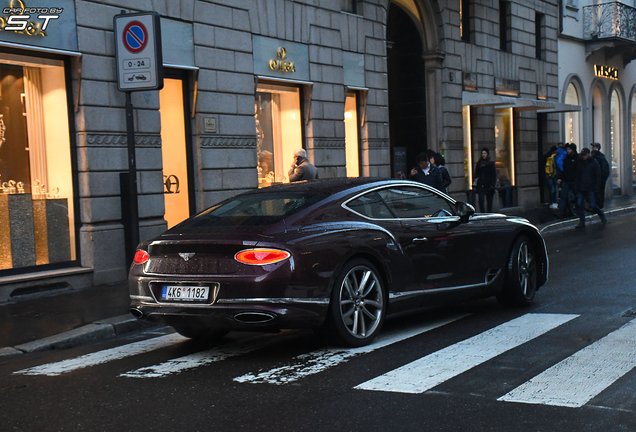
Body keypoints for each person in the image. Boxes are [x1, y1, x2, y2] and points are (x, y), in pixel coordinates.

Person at [574, 147, 607, 228]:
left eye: (585, 155)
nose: (583, 157)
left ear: (588, 154)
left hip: (590, 187)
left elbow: (598, 176)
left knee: (593, 205)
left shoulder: (594, 163)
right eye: (582, 155)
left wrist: (597, 187)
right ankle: (582, 221)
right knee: (579, 204)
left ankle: (601, 215)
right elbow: (578, 175)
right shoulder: (580, 163)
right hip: (581, 187)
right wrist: (576, 186)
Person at [556, 143, 578, 218]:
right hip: (567, 180)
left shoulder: (577, 159)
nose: (568, 151)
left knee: (575, 197)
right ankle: (560, 212)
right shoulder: (566, 159)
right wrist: (561, 178)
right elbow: (564, 170)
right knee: (563, 197)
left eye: (569, 149)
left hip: (574, 181)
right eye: (567, 149)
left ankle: (577, 211)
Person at [473, 148, 497, 213]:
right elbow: (476, 174)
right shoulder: (479, 163)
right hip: (481, 185)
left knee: (489, 202)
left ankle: (489, 213)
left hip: (489, 185)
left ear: (487, 154)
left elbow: (494, 175)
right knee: (480, 200)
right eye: (482, 153)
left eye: (485, 153)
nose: (483, 155)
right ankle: (482, 213)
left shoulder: (491, 164)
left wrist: (492, 185)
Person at [591, 142, 610, 209]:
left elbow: (603, 168)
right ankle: (597, 205)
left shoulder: (599, 157)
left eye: (594, 147)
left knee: (599, 192)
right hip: (597, 178)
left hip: (600, 178)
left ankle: (599, 206)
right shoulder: (596, 156)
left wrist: (602, 177)